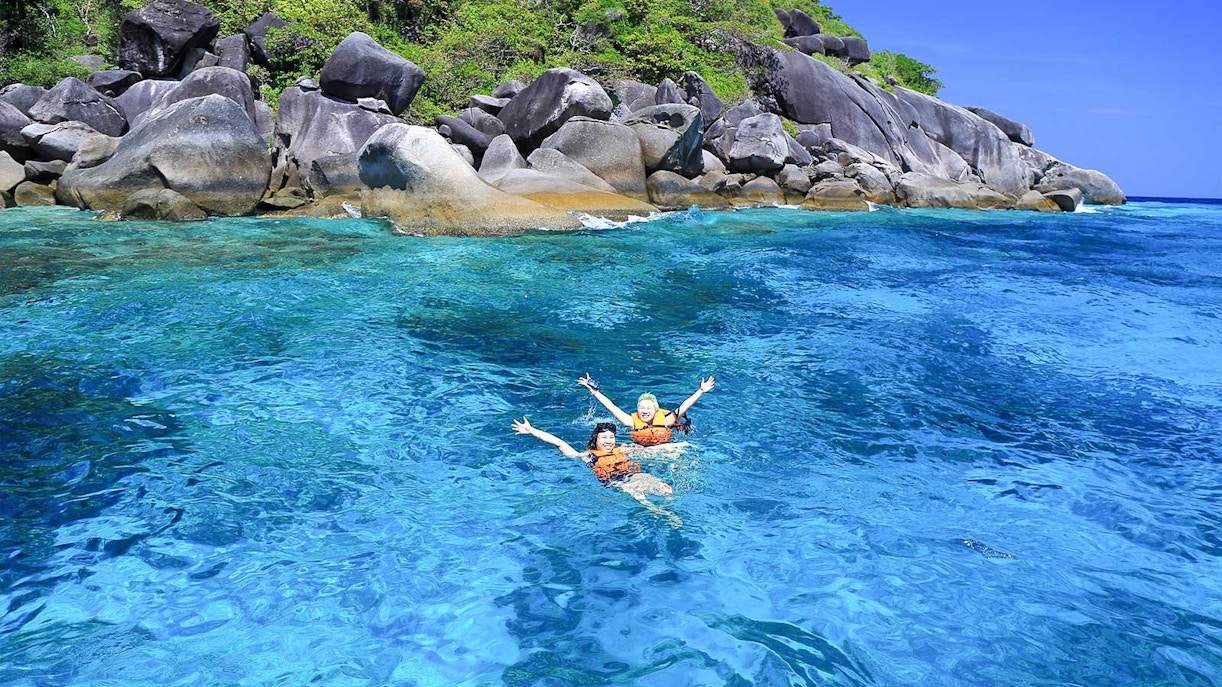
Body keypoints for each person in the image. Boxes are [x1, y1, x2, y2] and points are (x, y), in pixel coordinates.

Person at [511, 417, 680, 524]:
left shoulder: (623, 449)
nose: (608, 441)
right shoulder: (589, 456)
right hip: (615, 482)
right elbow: (561, 444)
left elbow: (650, 451)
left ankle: (670, 509)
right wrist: (532, 430)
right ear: (596, 439)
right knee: (638, 495)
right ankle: (661, 513)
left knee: (665, 489)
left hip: (634, 475)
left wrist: (677, 447)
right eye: (604, 437)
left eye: (611, 437)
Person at [577, 373, 715, 446]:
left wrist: (700, 391)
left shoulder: (666, 421)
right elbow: (612, 407)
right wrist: (595, 393)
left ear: (656, 410)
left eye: (649, 408)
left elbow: (683, 407)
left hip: (665, 450)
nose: (644, 410)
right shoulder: (631, 422)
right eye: (641, 407)